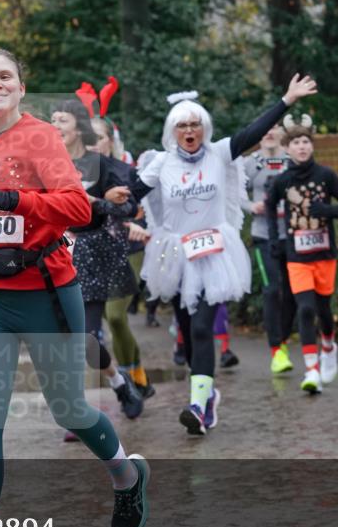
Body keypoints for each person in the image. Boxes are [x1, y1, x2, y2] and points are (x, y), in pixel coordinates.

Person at [0, 49, 149, 527]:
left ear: (20, 87)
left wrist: (10, 196)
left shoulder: (42, 138)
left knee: (68, 411)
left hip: (47, 290)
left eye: (5, 75)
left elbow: (76, 207)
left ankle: (127, 476)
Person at [133, 75, 318, 436]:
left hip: (214, 253)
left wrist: (287, 100)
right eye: (182, 125)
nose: (189, 130)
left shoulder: (220, 153)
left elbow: (253, 132)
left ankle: (197, 406)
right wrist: (104, 209)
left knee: (203, 327)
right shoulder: (162, 163)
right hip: (177, 254)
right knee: (188, 333)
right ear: (172, 131)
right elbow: (130, 194)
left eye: (195, 124)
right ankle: (208, 394)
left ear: (204, 127)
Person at [51, 99, 144, 419]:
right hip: (54, 255)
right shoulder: (46, 166)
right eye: (53, 121)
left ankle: (119, 383)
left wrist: (97, 202)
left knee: (86, 337)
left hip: (93, 255)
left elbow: (128, 208)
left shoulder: (102, 166)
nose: (56, 126)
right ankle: (79, 407)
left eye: (62, 120)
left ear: (79, 128)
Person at [266, 114, 338, 393]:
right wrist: (275, 239)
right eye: (296, 143)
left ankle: (328, 345)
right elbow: (270, 206)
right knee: (305, 309)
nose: (302, 147)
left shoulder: (326, 176)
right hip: (297, 256)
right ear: (287, 148)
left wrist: (327, 210)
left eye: (305, 142)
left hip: (324, 253)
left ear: (312, 145)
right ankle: (312, 370)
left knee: (324, 310)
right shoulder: (283, 180)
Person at [90, 114, 155, 400]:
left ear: (110, 141)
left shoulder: (126, 171)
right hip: (94, 255)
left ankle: (129, 379)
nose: (92, 144)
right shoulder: (75, 174)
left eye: (98, 138)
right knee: (109, 321)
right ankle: (138, 377)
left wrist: (137, 224)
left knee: (116, 317)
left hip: (128, 251)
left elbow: (144, 208)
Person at [243, 123, 296, 374]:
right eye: (265, 129)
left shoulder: (292, 160)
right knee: (272, 290)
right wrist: (250, 206)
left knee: (293, 293)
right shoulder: (250, 163)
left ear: (282, 133)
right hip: (264, 235)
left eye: (275, 128)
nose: (270, 133)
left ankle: (283, 340)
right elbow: (233, 193)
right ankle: (276, 350)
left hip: (293, 235)